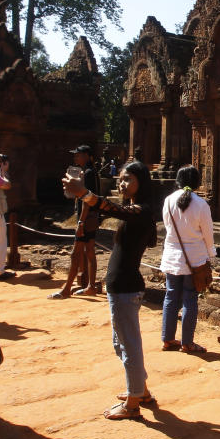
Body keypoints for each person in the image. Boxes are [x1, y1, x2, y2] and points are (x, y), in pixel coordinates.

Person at [64, 160, 158, 420]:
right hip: (122, 287)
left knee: (129, 345)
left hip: (126, 288)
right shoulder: (135, 211)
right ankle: (142, 391)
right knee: (122, 343)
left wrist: (85, 193)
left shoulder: (140, 211)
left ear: (141, 183)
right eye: (122, 178)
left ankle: (132, 403)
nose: (122, 182)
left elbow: (114, 209)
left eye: (128, 179)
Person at [160, 166, 214, 353]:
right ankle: (187, 342)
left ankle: (167, 339)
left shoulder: (168, 201)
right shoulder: (201, 204)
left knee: (170, 296)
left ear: (178, 181)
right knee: (190, 298)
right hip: (195, 259)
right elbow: (208, 234)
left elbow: (168, 227)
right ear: (197, 182)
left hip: (172, 256)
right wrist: (211, 254)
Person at [49, 145, 100, 299]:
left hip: (86, 218)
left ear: (87, 156)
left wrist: (81, 222)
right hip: (92, 217)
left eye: (78, 155)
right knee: (90, 252)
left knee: (75, 254)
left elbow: (87, 199)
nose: (75, 158)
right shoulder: (89, 173)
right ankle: (91, 286)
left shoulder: (89, 173)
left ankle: (66, 289)